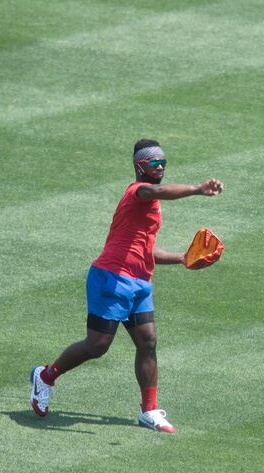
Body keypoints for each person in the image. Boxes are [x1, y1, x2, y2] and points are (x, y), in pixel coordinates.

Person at [30, 139, 224, 431]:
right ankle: (45, 376)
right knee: (97, 346)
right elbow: (155, 190)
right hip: (111, 278)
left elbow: (146, 251)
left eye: (164, 163)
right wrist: (197, 189)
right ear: (140, 166)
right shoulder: (138, 192)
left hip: (139, 283)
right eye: (155, 163)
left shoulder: (151, 207)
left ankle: (149, 410)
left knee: (147, 342)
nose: (160, 168)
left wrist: (183, 259)